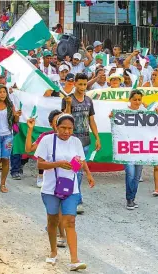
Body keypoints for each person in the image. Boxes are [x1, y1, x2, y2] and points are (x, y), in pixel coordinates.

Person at [34, 114, 95, 271]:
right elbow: (39, 164)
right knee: (53, 221)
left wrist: (80, 167)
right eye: (63, 128)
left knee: (70, 221)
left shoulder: (76, 142)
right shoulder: (47, 140)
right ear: (56, 126)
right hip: (50, 188)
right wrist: (58, 164)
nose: (66, 131)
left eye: (70, 128)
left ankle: (74, 259)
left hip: (71, 188)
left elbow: (79, 164)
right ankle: (53, 252)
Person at [62, 73, 101, 214]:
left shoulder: (89, 101)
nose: (83, 87)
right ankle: (72, 198)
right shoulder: (68, 99)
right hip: (71, 141)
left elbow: (92, 120)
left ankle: (76, 199)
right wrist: (67, 104)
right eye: (80, 84)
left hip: (85, 141)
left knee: (78, 171)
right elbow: (66, 118)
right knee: (72, 170)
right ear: (75, 84)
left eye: (85, 84)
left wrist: (97, 137)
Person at [110, 90, 145, 209]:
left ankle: (132, 197)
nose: (137, 102)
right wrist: (112, 117)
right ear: (130, 99)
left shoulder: (144, 112)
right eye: (134, 99)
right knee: (130, 173)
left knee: (137, 175)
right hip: (127, 149)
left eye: (139, 99)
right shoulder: (123, 112)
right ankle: (129, 199)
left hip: (140, 149)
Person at [26, 110, 63, 187]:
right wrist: (30, 129)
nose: (60, 124)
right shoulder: (45, 137)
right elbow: (29, 149)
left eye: (61, 121)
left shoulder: (71, 138)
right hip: (49, 170)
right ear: (51, 124)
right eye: (57, 122)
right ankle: (41, 176)